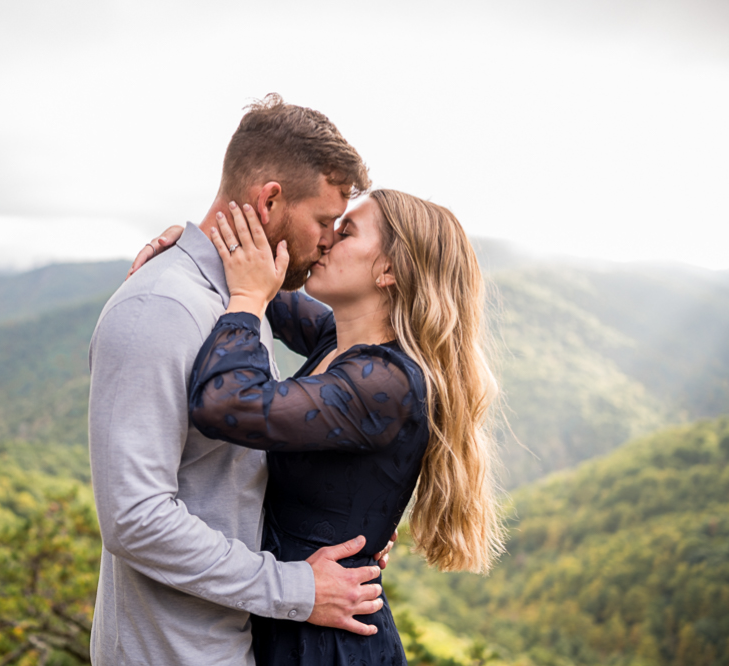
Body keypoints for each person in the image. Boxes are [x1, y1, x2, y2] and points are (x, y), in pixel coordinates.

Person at [135, 190, 504, 664]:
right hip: (294, 609)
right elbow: (261, 271)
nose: (326, 241)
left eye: (345, 231)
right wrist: (197, 246)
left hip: (327, 643)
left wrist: (247, 300)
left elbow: (226, 402)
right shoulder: (342, 338)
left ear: (389, 270)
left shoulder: (385, 384)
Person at [88, 94, 392, 666]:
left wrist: (352, 515)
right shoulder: (163, 307)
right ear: (270, 199)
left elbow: (236, 474)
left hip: (233, 644)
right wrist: (296, 588)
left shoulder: (243, 299)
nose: (328, 241)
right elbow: (133, 518)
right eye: (324, 222)